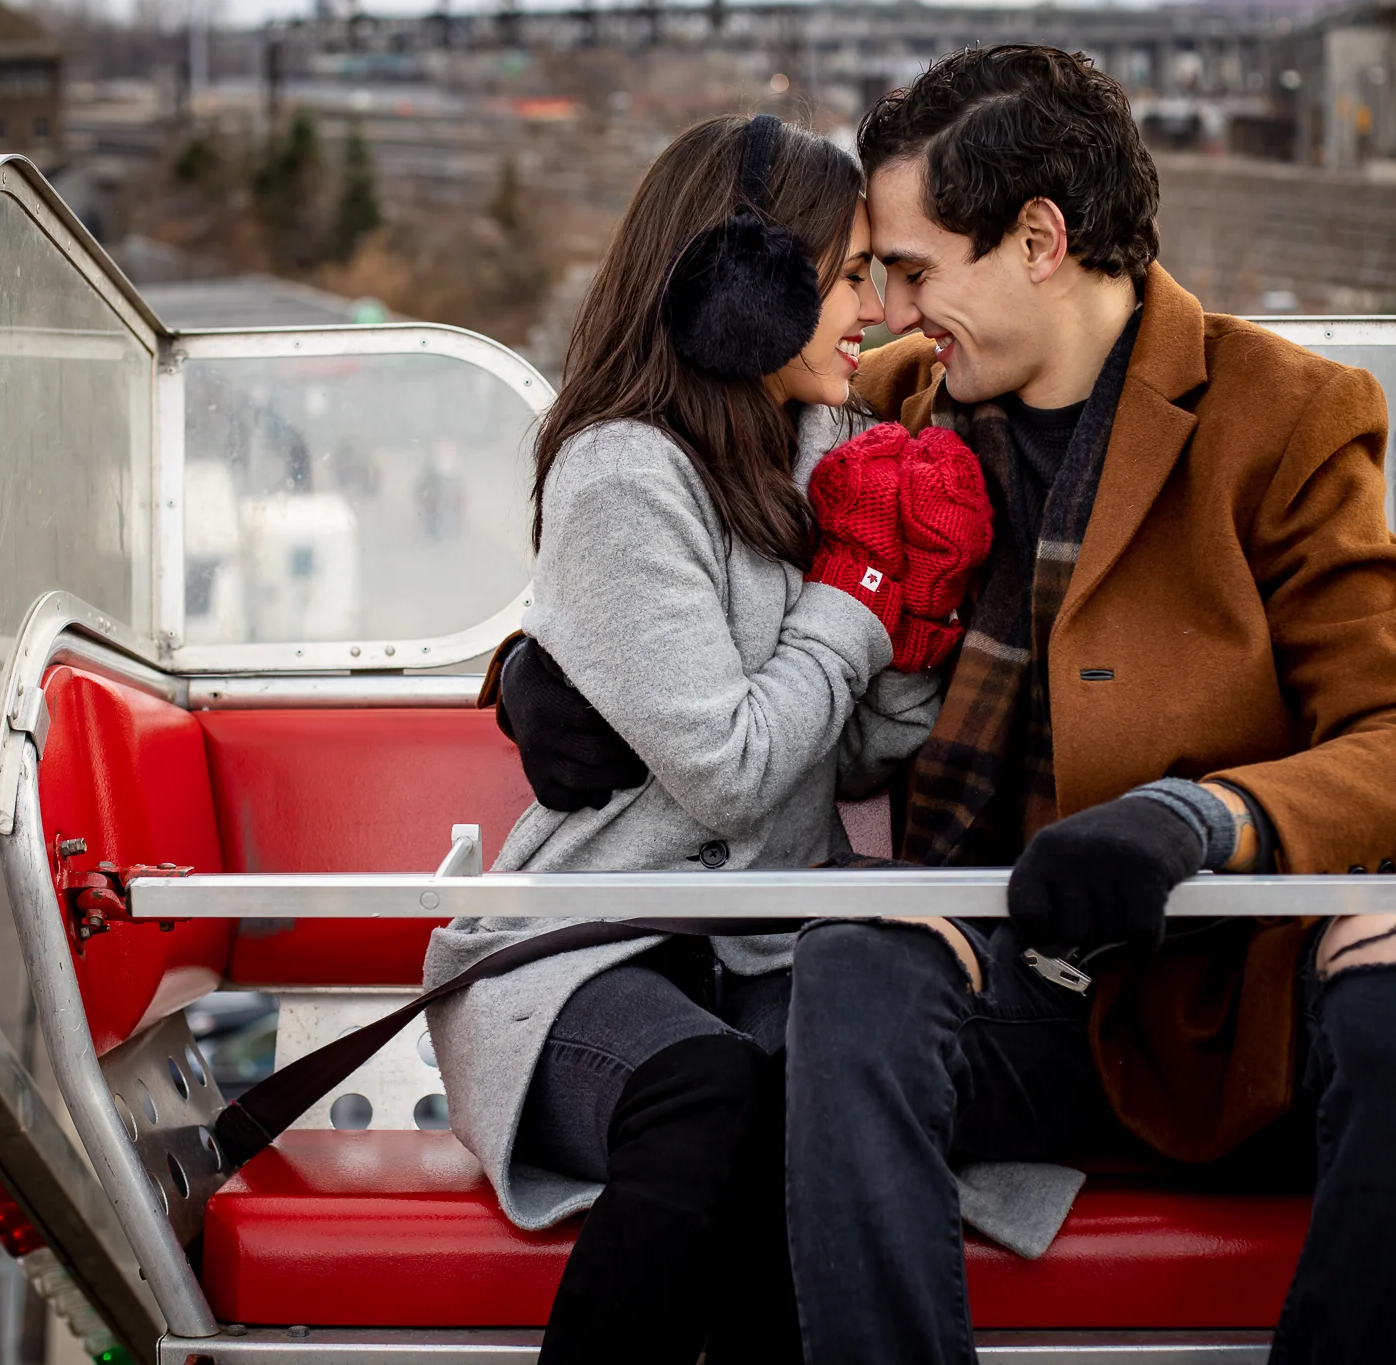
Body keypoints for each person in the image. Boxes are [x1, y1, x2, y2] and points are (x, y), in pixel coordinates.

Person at [497, 47, 1396, 1365]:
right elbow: (671, 515)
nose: (890, 308)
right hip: (999, 972)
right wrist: (534, 671)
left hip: (1209, 990)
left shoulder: (1285, 419)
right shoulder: (894, 408)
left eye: (914, 269)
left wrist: (1201, 820)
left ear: (1038, 240)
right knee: (853, 963)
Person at [422, 112, 993, 1365]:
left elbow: (833, 760)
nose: (872, 314)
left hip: (766, 946)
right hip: (589, 944)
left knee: (812, 1116)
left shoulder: (819, 448)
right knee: (708, 1094)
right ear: (745, 279)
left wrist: (917, 631)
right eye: (847, 278)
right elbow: (732, 772)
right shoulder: (623, 472)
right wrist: (854, 597)